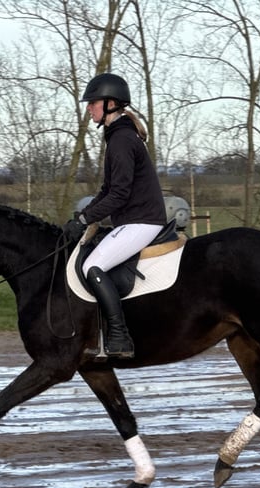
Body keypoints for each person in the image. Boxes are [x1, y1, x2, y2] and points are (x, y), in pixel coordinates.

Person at [63, 72, 167, 358]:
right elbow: (108, 190)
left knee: (92, 267)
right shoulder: (118, 137)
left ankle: (120, 338)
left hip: (142, 221)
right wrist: (82, 215)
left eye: (93, 102)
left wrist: (85, 220)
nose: (88, 108)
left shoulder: (121, 140)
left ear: (110, 104)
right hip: (134, 220)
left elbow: (119, 195)